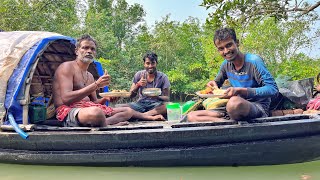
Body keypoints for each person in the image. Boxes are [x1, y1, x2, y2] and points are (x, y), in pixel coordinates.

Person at [53, 35, 164, 127]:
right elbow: (66, 99)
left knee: (127, 111)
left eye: (92, 49)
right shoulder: (67, 67)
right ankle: (109, 124)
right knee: (96, 113)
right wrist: (96, 85)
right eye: (85, 48)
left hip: (88, 108)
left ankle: (106, 123)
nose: (89, 51)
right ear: (77, 51)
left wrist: (106, 98)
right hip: (69, 110)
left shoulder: (90, 76)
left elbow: (95, 102)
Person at [187, 28, 278, 122]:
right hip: (231, 108)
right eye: (221, 49)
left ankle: (228, 120)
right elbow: (216, 84)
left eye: (229, 45)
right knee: (191, 116)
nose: (226, 51)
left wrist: (242, 91)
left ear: (237, 43)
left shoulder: (254, 61)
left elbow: (273, 89)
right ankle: (227, 122)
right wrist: (212, 86)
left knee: (234, 103)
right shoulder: (225, 65)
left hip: (257, 106)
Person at [123, 52, 170, 118]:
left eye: (153, 63)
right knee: (119, 107)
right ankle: (146, 115)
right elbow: (130, 95)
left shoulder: (163, 77)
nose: (150, 66)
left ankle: (142, 115)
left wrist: (157, 97)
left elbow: (167, 98)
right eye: (148, 63)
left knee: (168, 105)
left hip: (156, 105)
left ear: (156, 63)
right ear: (144, 64)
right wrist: (138, 85)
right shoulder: (139, 75)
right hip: (140, 104)